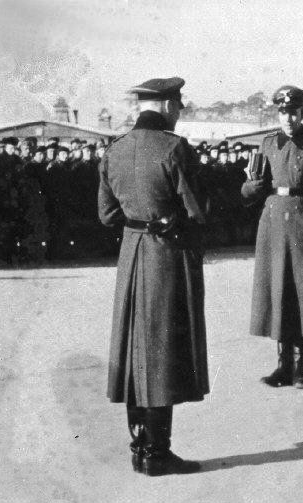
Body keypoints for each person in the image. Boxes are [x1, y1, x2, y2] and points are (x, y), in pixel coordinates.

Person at [98, 76, 209, 476]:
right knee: (164, 350)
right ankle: (159, 453)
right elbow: (196, 210)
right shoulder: (174, 148)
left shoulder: (115, 150)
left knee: (135, 349)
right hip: (167, 255)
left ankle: (140, 447)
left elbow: (106, 214)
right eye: (178, 106)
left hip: (132, 254)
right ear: (165, 105)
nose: (179, 113)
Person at [241, 85, 303, 389]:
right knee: (278, 295)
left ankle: (299, 369)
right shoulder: (267, 144)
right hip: (273, 228)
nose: (289, 118)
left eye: (293, 112)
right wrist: (251, 186)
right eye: (283, 112)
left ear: (302, 112)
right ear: (277, 113)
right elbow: (248, 193)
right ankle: (282, 366)